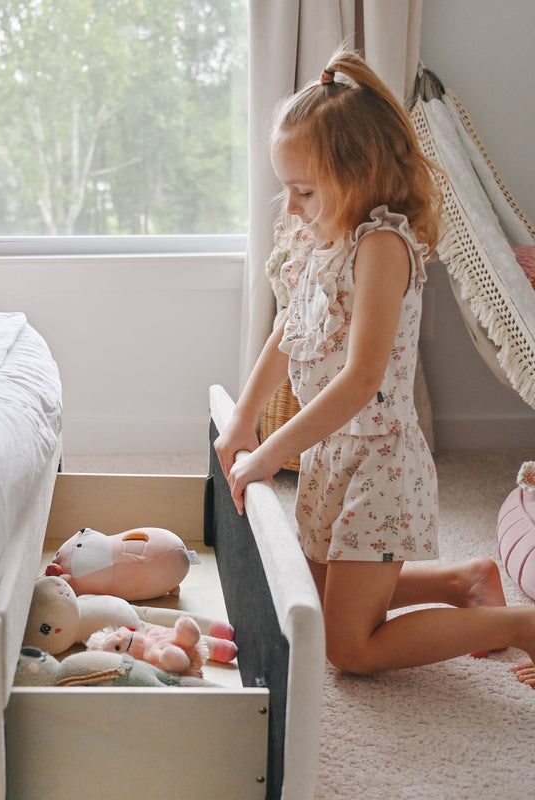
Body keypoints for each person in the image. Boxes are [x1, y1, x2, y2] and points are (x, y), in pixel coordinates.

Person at [214, 48, 535, 680]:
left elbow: (362, 382)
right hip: (329, 454)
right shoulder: (317, 239)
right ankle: (466, 578)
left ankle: (521, 624)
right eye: (286, 189)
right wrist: (243, 419)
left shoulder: (382, 247)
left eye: (304, 191)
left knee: (347, 648)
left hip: (378, 460)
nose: (292, 207)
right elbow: (289, 332)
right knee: (305, 595)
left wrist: (270, 452)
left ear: (359, 176)